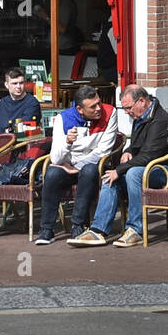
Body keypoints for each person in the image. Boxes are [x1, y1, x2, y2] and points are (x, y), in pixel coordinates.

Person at [68, 84, 168, 248]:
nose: (127, 112)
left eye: (129, 108)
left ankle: (135, 230)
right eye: (124, 108)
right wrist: (128, 151)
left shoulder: (161, 120)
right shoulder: (140, 115)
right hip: (149, 167)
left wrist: (120, 169)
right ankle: (98, 230)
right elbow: (139, 146)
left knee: (132, 173)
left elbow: (149, 155)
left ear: (142, 101)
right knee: (110, 177)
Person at [35, 86, 118, 244]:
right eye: (93, 106)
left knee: (88, 171)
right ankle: (46, 229)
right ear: (79, 109)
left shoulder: (110, 112)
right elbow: (56, 158)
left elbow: (103, 151)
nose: (98, 108)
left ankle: (78, 225)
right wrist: (67, 143)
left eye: (99, 103)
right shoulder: (63, 118)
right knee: (52, 174)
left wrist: (77, 166)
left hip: (93, 166)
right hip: (67, 165)